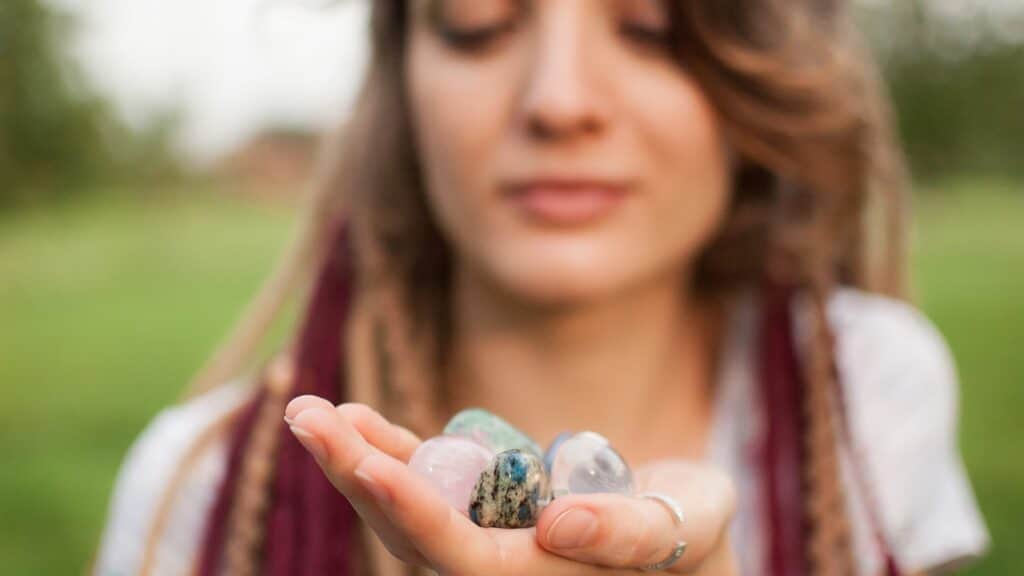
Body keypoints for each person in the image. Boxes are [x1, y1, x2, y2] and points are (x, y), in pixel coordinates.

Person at [93, 1, 990, 575]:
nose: (558, 100)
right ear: (403, 75)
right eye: (479, 22)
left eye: (650, 26)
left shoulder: (871, 390)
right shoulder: (203, 487)